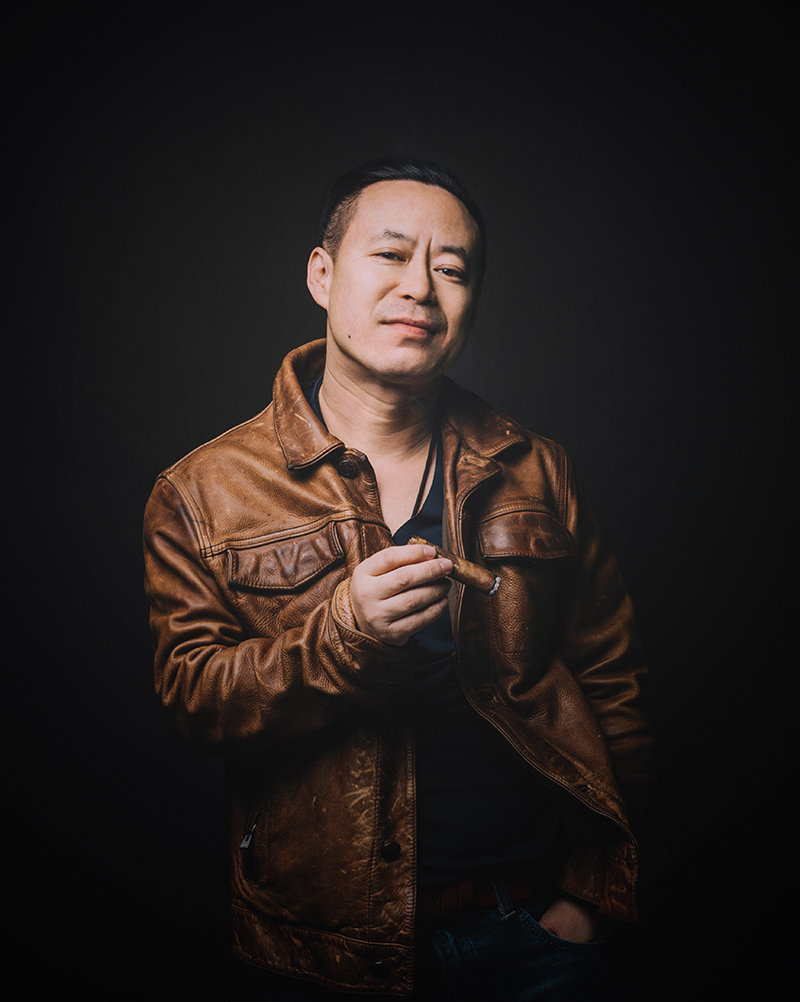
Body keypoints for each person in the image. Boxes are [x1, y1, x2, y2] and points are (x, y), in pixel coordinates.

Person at [143, 157, 652, 1000]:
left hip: (534, 933)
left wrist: (593, 894)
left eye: (451, 269)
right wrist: (345, 636)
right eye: (389, 255)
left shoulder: (537, 469)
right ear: (322, 274)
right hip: (322, 949)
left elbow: (612, 681)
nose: (419, 287)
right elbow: (193, 698)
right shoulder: (201, 491)